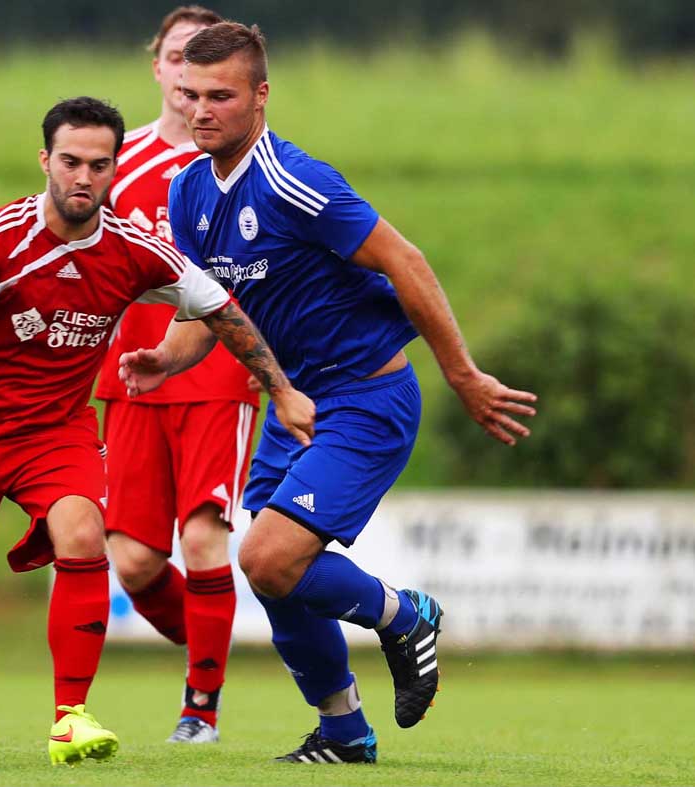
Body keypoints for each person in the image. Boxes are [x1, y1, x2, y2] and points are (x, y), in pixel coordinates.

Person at [0, 96, 315, 767]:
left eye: (99, 164)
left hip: (55, 432)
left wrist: (282, 389)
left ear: (115, 168)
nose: (83, 177)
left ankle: (70, 716)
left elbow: (220, 307)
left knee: (84, 530)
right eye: (70, 161)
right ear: (45, 160)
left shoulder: (132, 251)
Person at [119, 23, 538, 764]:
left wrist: (463, 374)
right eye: (191, 94)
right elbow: (212, 308)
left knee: (268, 558)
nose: (201, 110)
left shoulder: (295, 182)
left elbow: (405, 261)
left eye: (221, 95)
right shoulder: (189, 191)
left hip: (365, 399)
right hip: (293, 404)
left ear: (261, 96)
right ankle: (343, 731)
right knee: (273, 575)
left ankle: (404, 614)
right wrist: (167, 358)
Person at [94, 5, 258, 745]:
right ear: (159, 66)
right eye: (177, 57)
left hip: (216, 373)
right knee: (132, 561)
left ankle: (201, 707)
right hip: (132, 375)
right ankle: (211, 646)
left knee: (202, 541)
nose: (189, 77)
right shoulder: (112, 160)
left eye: (204, 61)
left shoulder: (238, 163)